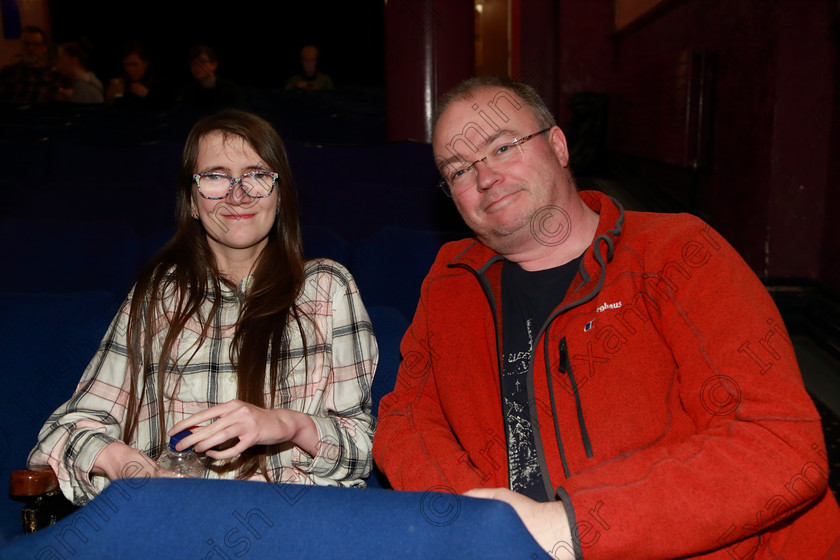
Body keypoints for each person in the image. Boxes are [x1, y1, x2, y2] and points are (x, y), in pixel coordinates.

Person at [372, 76, 840, 559]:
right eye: (459, 171)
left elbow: (777, 442)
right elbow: (404, 420)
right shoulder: (452, 280)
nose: (484, 177)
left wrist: (568, 526)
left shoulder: (678, 252)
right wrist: (480, 522)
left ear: (557, 145)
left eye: (503, 146)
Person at [28, 109, 378, 505]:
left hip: (287, 522)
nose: (237, 193)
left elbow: (362, 452)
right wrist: (129, 465)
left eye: (257, 175)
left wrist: (286, 425)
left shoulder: (327, 288)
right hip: (175, 518)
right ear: (192, 202)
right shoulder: (160, 296)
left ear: (280, 196)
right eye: (215, 176)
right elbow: (62, 434)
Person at [105, 41, 172, 108]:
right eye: (126, 65)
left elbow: (167, 108)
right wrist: (111, 100)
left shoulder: (158, 82)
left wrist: (147, 95)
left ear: (146, 63)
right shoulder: (121, 81)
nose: (130, 69)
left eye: (135, 64)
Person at [0, 25, 55, 104]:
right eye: (26, 44)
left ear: (44, 48)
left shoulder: (51, 74)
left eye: (36, 45)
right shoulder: (9, 72)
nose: (30, 49)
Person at [180, 45, 244, 111]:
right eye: (193, 63)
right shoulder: (188, 91)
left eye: (202, 62)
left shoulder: (229, 89)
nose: (197, 67)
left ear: (214, 64)